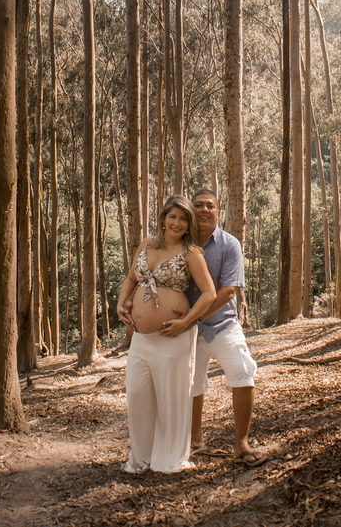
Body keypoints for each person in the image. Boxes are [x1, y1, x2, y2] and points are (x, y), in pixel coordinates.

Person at [115, 195, 216, 473]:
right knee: (137, 396)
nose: (177, 223)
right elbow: (131, 278)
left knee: (172, 399)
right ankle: (140, 458)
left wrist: (187, 323)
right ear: (163, 219)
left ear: (189, 224)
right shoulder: (147, 243)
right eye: (173, 217)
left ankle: (169, 460)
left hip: (173, 338)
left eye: (183, 219)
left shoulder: (191, 253)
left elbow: (209, 294)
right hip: (141, 339)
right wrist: (120, 304)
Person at [186, 188, 264, 467]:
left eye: (210, 205)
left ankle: (241, 443)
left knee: (243, 370)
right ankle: (194, 440)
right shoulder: (180, 242)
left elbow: (229, 290)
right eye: (198, 205)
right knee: (191, 382)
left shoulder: (230, 244)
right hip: (187, 330)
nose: (204, 210)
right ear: (191, 210)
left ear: (218, 212)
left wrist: (194, 317)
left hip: (222, 324)